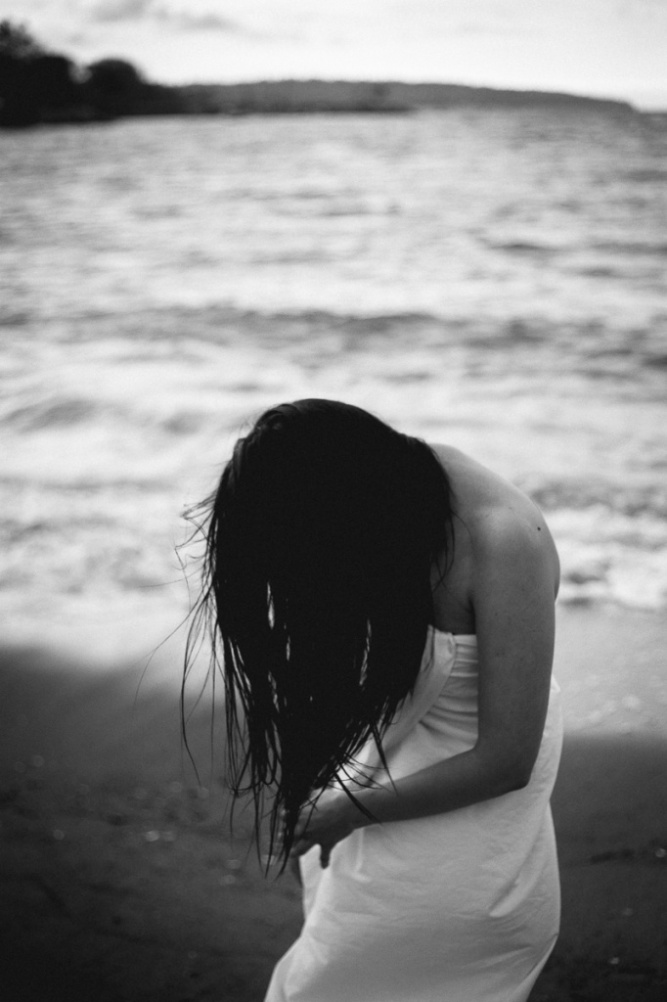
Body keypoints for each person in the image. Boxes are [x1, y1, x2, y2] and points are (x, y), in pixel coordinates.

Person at [186, 398, 563, 1002]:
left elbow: (508, 760)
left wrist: (345, 811)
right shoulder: (394, 490)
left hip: (465, 842)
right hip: (396, 782)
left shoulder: (505, 542)